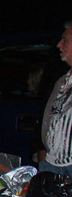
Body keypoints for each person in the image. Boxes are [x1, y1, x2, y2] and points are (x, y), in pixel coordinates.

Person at [36, 22, 72, 176]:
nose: (59, 45)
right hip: (52, 162)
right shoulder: (62, 81)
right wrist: (41, 147)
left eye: (65, 40)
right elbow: (49, 116)